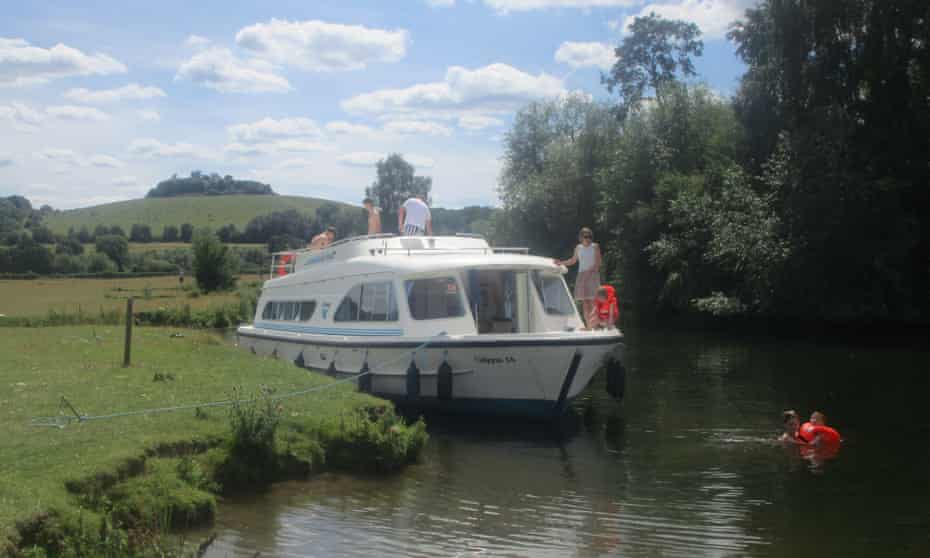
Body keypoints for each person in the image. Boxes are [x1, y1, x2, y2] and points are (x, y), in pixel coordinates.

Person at [554, 227, 602, 328]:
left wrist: (588, 273)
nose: (588, 238)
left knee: (593, 301)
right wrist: (561, 262)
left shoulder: (595, 247)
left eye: (590, 236)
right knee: (585, 302)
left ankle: (595, 326)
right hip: (581, 275)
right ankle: (588, 326)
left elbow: (598, 263)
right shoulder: (578, 248)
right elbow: (573, 260)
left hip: (592, 275)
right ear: (580, 237)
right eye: (586, 236)